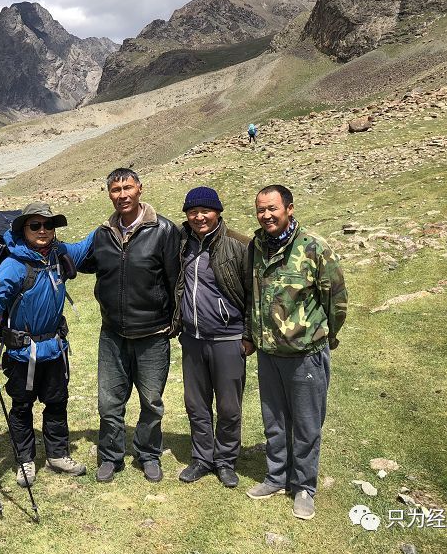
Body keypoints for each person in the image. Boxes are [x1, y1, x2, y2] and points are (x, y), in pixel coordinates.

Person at [0, 202, 94, 487]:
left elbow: (88, 244)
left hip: (55, 348)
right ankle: (25, 461)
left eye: (48, 225)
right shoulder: (14, 264)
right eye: (35, 225)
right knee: (22, 407)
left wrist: (116, 220)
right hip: (23, 352)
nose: (43, 231)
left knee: (57, 402)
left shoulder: (59, 254)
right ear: (23, 230)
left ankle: (58, 455)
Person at [246, 185, 347, 520]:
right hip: (268, 353)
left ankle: (304, 486)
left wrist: (326, 336)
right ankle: (276, 477)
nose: (266, 215)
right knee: (274, 422)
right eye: (261, 210)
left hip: (306, 354)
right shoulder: (256, 246)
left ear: (289, 208)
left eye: (272, 208)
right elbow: (254, 297)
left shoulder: (314, 247)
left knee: (306, 425)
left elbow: (337, 299)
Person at [81, 168, 181, 483]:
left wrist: (174, 322)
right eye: (115, 190)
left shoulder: (163, 230)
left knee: (151, 401)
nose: (122, 195)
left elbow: (175, 279)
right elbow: (83, 263)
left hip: (153, 334)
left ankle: (148, 453)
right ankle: (111, 456)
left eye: (127, 187)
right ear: (109, 194)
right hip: (112, 333)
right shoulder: (102, 234)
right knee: (109, 401)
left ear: (139, 189)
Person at [171, 186, 253, 488]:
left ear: (218, 211)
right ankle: (203, 458)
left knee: (229, 407)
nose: (199, 216)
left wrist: (248, 335)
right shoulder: (182, 243)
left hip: (229, 339)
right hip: (192, 338)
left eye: (205, 210)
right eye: (193, 211)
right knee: (196, 404)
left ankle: (226, 461)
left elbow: (253, 295)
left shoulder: (239, 245)